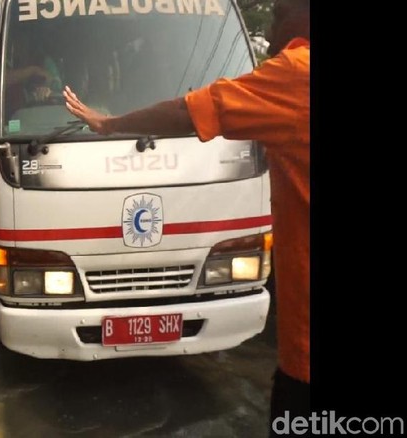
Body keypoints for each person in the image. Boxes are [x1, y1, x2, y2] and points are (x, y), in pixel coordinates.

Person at [63, 0, 309, 433]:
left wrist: (108, 125)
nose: (269, 34)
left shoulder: (296, 74)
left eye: (278, 15)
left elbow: (189, 111)